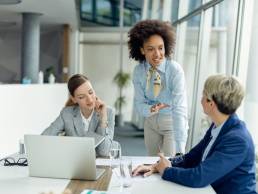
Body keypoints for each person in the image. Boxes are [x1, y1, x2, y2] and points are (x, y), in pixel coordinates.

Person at [132, 74, 256, 194]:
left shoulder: (237, 140)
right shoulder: (218, 125)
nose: (201, 99)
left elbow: (199, 177)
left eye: (203, 94)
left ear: (211, 103)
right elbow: (192, 157)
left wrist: (166, 171)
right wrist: (158, 166)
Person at [128, 19, 188, 156]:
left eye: (160, 48)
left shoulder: (174, 70)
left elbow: (180, 108)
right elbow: (139, 103)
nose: (157, 54)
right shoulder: (139, 71)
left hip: (171, 122)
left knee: (170, 164)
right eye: (150, 49)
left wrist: (180, 147)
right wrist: (151, 109)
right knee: (152, 163)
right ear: (142, 50)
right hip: (150, 123)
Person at [42, 74, 115, 157]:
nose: (90, 99)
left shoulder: (108, 112)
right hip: (73, 163)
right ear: (74, 99)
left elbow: (103, 152)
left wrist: (103, 120)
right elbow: (44, 137)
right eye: (81, 97)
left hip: (98, 166)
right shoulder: (67, 113)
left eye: (91, 92)